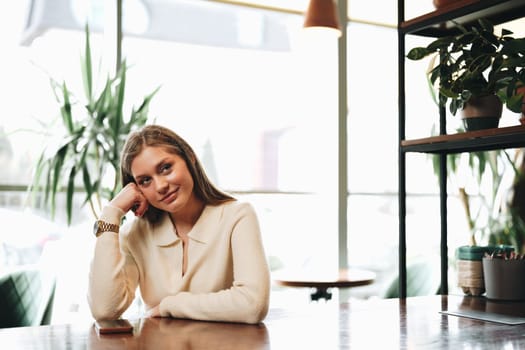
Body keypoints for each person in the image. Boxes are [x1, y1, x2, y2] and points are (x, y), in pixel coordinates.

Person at [88, 124, 270, 324]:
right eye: (145, 180)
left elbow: (252, 304)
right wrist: (110, 215)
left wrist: (170, 306)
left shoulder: (238, 217)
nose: (161, 186)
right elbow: (104, 311)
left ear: (189, 157)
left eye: (166, 168)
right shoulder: (134, 234)